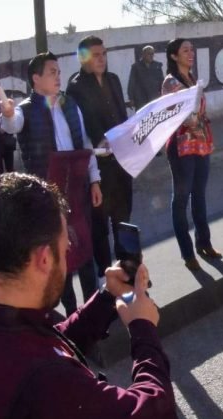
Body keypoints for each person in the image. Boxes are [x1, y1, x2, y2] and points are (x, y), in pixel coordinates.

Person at [0, 173, 178, 419]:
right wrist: (143, 328)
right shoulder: (45, 383)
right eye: (65, 248)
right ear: (44, 259)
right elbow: (149, 412)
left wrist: (106, 296)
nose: (69, 254)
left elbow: (50, 344)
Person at [0, 52, 102, 314]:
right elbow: (12, 124)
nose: (58, 76)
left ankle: (95, 311)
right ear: (36, 78)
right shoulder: (25, 110)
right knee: (59, 258)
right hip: (47, 198)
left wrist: (95, 180)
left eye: (58, 71)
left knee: (86, 251)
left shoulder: (70, 104)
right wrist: (7, 112)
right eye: (52, 72)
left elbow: (85, 143)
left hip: (77, 191)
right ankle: (72, 315)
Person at [67, 35, 134, 281]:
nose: (102, 59)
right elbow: (82, 125)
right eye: (96, 55)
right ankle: (107, 276)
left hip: (121, 161)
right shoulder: (75, 87)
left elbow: (121, 115)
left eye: (104, 53)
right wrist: (99, 141)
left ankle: (128, 270)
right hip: (98, 166)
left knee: (123, 219)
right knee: (100, 226)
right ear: (83, 58)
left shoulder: (113, 79)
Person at [163, 38, 222, 271]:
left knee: (199, 196)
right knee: (181, 200)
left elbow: (197, 114)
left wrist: (198, 116)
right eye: (185, 50)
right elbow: (184, 118)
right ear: (174, 56)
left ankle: (204, 243)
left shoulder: (192, 79)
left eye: (192, 50)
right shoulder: (170, 83)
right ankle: (188, 254)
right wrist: (196, 114)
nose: (191, 53)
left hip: (200, 145)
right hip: (181, 149)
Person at [127, 45, 163, 111]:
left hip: (154, 97)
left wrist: (163, 94)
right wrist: (131, 98)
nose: (151, 55)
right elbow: (131, 82)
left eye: (152, 54)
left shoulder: (157, 66)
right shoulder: (136, 67)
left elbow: (161, 81)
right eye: (149, 54)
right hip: (141, 99)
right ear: (143, 54)